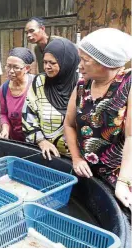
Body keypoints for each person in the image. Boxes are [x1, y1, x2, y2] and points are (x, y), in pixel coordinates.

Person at [64, 28, 132, 208]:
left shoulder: (128, 85)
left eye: (85, 60)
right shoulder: (81, 86)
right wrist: (77, 158)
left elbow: (131, 137)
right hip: (86, 172)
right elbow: (69, 124)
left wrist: (124, 182)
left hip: (118, 177)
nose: (79, 65)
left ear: (106, 63)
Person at [22, 37, 80, 160]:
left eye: (52, 63)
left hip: (76, 159)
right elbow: (28, 114)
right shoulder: (40, 82)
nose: (47, 67)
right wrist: (41, 140)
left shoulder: (83, 85)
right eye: (45, 62)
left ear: (67, 62)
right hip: (47, 155)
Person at [0, 48, 35, 141]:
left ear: (27, 68)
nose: (11, 71)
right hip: (15, 139)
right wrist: (5, 129)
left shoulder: (35, 85)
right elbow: (3, 113)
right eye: (8, 66)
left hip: (35, 140)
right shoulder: (4, 88)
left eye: (16, 67)